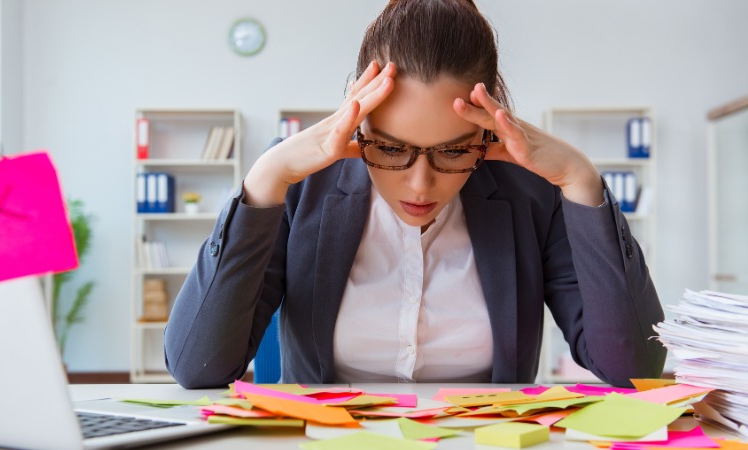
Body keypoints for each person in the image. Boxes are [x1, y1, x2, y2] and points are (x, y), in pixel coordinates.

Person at [164, 0, 666, 389]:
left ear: (485, 133)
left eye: (453, 152)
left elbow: (633, 369)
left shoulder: (531, 192)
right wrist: (265, 178)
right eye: (389, 148)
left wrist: (582, 181)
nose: (421, 184)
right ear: (360, 124)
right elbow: (197, 366)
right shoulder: (302, 187)